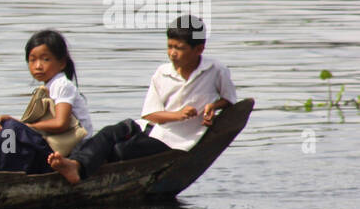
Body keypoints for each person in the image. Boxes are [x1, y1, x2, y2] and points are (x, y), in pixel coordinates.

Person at [48, 15, 236, 185]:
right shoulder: (162, 73)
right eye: (170, 46)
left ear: (199, 49)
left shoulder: (216, 70)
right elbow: (150, 114)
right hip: (150, 128)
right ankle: (75, 164)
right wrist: (177, 115)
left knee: (122, 151)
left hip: (175, 142)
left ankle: (78, 166)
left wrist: (213, 106)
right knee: (108, 133)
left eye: (179, 48)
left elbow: (230, 100)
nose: (172, 53)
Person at [0, 29, 93, 174]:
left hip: (70, 151)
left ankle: (3, 171)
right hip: (53, 145)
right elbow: (32, 126)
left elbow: (61, 123)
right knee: (5, 127)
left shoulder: (62, 85)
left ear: (61, 63)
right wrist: (12, 123)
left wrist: (21, 126)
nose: (38, 66)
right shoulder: (47, 87)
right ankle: (0, 168)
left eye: (45, 59)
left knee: (10, 129)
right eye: (32, 60)